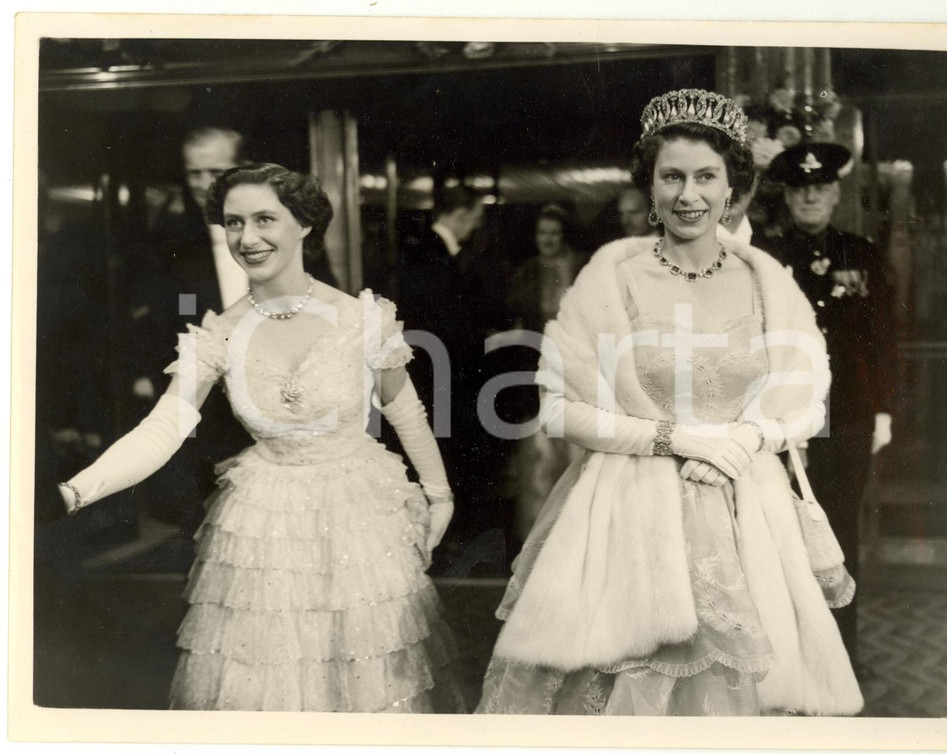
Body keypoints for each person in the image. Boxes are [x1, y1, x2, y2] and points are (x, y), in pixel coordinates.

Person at [476, 90, 862, 716]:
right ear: (649, 186)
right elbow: (558, 408)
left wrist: (744, 441)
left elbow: (806, 401)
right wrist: (675, 439)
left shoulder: (768, 280)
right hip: (628, 514)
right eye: (672, 176)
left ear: (733, 185)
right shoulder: (611, 277)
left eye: (707, 177)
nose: (689, 195)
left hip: (747, 517)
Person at [58, 163, 465, 713]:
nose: (248, 238)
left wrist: (439, 495)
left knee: (370, 679)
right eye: (233, 223)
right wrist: (74, 492)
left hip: (361, 517)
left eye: (265, 219)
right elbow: (162, 428)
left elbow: (406, 410)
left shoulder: (360, 317)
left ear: (304, 226)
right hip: (262, 526)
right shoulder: (217, 333)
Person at [124, 126, 339, 533]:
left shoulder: (291, 232)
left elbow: (324, 309)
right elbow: (164, 326)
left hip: (287, 401)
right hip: (210, 411)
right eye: (194, 173)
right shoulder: (168, 245)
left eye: (217, 172)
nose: (205, 185)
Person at [760, 142, 897, 668]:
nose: (811, 198)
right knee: (784, 534)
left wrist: (883, 410)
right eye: (800, 189)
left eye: (820, 188)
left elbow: (885, 337)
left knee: (839, 531)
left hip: (849, 416)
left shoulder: (861, 254)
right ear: (788, 197)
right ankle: (791, 660)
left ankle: (840, 657)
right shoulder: (769, 260)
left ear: (836, 193)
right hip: (785, 417)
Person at [396, 185, 504, 566]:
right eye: (474, 218)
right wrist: (480, 337)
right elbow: (442, 323)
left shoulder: (429, 250)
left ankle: (443, 537)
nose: (474, 228)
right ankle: (441, 541)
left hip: (440, 373)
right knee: (443, 452)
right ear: (459, 215)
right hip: (438, 376)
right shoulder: (429, 253)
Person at [505, 204, 587, 541]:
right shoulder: (526, 272)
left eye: (554, 233)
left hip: (576, 371)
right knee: (539, 459)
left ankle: (575, 536)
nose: (547, 240)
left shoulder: (582, 267)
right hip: (536, 371)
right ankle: (538, 539)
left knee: (574, 454)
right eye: (542, 233)